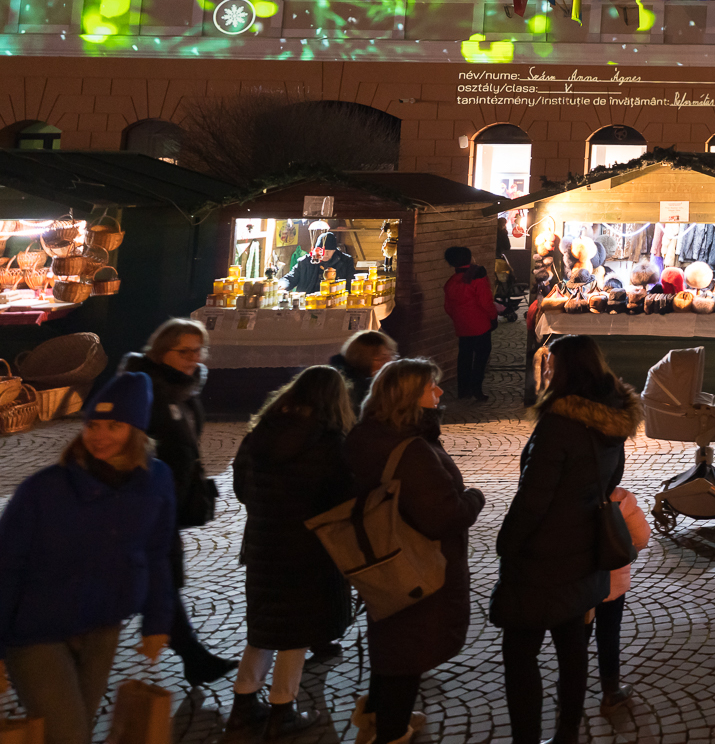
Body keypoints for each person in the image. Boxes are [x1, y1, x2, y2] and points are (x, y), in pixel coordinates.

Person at [0, 374, 175, 744]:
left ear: (138, 429)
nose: (99, 436)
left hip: (102, 626)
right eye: (93, 424)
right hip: (34, 632)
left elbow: (159, 552)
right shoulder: (43, 490)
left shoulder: (157, 480)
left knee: (76, 726)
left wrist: (157, 620)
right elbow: (5, 568)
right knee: (69, 736)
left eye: (115, 425)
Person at [493, 334, 642, 744]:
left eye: (552, 366)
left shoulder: (559, 425)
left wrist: (508, 544)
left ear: (567, 371)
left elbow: (533, 499)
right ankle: (567, 734)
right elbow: (612, 480)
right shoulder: (613, 418)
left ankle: (527, 736)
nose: (546, 372)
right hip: (585, 550)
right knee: (572, 647)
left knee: (520, 653)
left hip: (543, 556)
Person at [347, 358, 485, 744]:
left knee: (390, 640)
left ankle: (377, 713)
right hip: (415, 562)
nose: (439, 393)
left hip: (378, 556)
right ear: (408, 397)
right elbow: (444, 516)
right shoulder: (412, 451)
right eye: (431, 388)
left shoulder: (365, 435)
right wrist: (474, 497)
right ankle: (391, 731)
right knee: (408, 651)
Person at [229, 365, 357, 737]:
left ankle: (243, 702)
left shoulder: (258, 435)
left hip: (263, 544)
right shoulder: (329, 443)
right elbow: (342, 499)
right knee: (298, 631)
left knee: (265, 626)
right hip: (308, 551)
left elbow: (242, 487)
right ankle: (282, 708)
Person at [119, 317, 234, 685]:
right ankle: (192, 655)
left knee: (164, 575)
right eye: (184, 351)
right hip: (144, 501)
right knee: (160, 576)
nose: (193, 358)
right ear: (160, 350)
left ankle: (192, 655)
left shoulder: (182, 388)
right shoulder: (144, 388)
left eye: (198, 351)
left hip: (170, 499)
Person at [594, 484, 651, 718]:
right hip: (611, 584)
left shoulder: (571, 494)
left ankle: (566, 691)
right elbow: (642, 536)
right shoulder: (622, 499)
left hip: (577, 584)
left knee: (574, 641)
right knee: (608, 635)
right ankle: (611, 690)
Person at [443, 246, 499, 402]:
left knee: (464, 358)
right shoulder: (478, 276)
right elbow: (486, 301)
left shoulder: (450, 283)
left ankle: (463, 390)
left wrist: (459, 319)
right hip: (481, 325)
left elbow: (448, 307)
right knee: (480, 359)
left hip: (462, 327)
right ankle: (477, 389)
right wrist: (493, 318)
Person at [330, 328, 397, 413]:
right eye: (382, 358)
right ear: (364, 359)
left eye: (393, 355)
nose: (390, 362)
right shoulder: (353, 390)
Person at [286, 230, 357, 296]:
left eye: (329, 251)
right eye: (322, 251)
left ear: (335, 250)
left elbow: (350, 283)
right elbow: (290, 278)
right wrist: (282, 285)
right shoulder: (305, 261)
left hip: (334, 299)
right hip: (309, 300)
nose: (325, 254)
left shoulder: (346, 261)